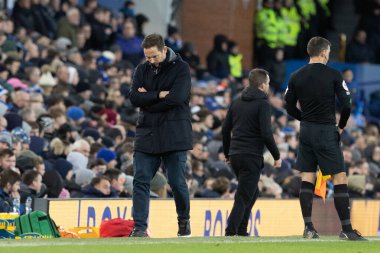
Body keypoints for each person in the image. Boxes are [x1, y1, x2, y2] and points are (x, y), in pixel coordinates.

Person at [284, 36, 366, 241]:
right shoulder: (333, 74)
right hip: (326, 130)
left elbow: (288, 105)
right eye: (328, 52)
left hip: (306, 131)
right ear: (322, 53)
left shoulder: (295, 76)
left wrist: (303, 119)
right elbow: (347, 104)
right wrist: (341, 126)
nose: (329, 55)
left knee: (307, 177)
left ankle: (309, 228)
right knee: (339, 177)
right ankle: (346, 230)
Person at [129, 34, 192, 237]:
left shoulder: (181, 68)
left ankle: (184, 220)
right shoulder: (141, 69)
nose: (150, 61)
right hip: (147, 132)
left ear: (164, 50)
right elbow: (133, 98)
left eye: (154, 56)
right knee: (140, 180)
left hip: (174, 133)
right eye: (147, 57)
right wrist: (159, 94)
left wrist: (148, 99)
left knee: (176, 181)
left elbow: (177, 98)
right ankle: (139, 227)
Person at [222, 68, 282, 236]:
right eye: (268, 83)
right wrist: (276, 155)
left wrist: (227, 152)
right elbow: (266, 133)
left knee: (252, 192)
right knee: (243, 195)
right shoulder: (263, 103)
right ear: (263, 85)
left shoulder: (236, 101)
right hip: (251, 156)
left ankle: (241, 229)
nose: (268, 86)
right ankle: (231, 231)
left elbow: (226, 129)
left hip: (235, 155)